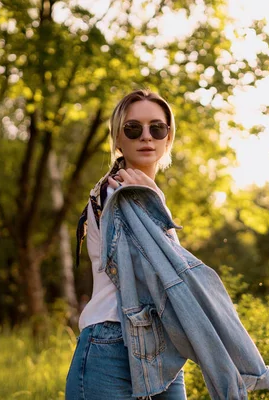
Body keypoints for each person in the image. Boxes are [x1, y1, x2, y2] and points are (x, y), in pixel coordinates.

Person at [66, 89, 185, 399]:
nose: (146, 136)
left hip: (160, 342)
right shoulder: (116, 191)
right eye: (133, 128)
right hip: (111, 341)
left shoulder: (147, 191)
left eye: (156, 128)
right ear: (118, 139)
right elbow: (153, 267)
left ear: (167, 137)